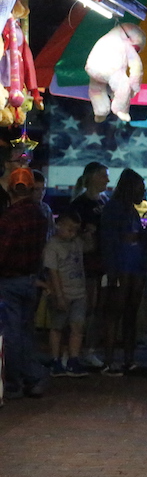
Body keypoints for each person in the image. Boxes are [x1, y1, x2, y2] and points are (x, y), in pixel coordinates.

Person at [0, 167, 52, 397]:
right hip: (31, 280)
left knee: (11, 335)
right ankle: (32, 377)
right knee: (24, 332)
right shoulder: (39, 215)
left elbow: (3, 252)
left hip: (10, 281)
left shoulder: (9, 218)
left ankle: (15, 382)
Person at [99, 168, 147, 376]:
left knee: (129, 313)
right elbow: (109, 240)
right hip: (122, 266)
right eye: (140, 189)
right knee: (115, 313)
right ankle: (110, 361)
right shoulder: (115, 208)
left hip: (133, 266)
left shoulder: (129, 209)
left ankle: (128, 359)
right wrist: (112, 270)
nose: (143, 193)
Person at [69, 161, 110, 368]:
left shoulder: (104, 201)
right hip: (87, 262)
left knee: (97, 307)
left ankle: (88, 348)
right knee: (86, 306)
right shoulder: (80, 204)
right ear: (93, 177)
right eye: (104, 175)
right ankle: (78, 349)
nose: (107, 180)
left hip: (101, 260)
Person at [44, 211, 89, 378]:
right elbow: (53, 272)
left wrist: (88, 234)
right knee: (57, 327)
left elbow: (89, 247)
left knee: (77, 326)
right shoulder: (52, 245)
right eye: (69, 229)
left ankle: (73, 359)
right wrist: (59, 295)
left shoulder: (77, 242)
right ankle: (56, 360)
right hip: (62, 292)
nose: (72, 233)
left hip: (78, 292)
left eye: (75, 230)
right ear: (59, 225)